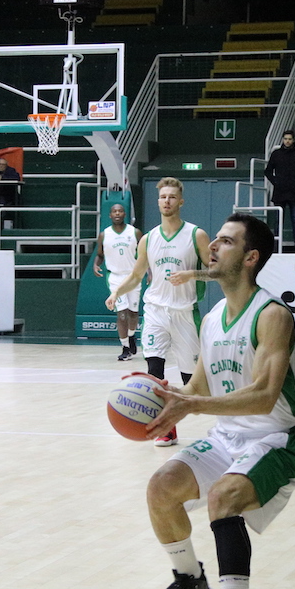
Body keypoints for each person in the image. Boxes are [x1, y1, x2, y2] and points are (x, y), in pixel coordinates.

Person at [140, 213, 295, 589]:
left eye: (226, 241)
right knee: (161, 487)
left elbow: (264, 395)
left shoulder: (272, 315)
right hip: (227, 435)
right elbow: (198, 386)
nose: (213, 246)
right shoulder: (213, 317)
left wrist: (193, 406)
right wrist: (164, 399)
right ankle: (189, 579)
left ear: (251, 258)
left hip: (276, 438)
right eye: (214, 239)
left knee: (223, 497)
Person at [107, 178, 210, 446]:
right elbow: (136, 275)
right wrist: (117, 292)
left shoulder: (196, 235)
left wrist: (192, 274)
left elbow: (215, 271)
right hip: (155, 310)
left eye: (172, 197)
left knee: (191, 381)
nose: (167, 201)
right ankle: (166, 428)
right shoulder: (148, 239)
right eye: (163, 197)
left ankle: (223, 423)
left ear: (181, 201)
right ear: (158, 201)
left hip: (185, 312)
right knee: (154, 372)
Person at [93, 202, 142, 360]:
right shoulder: (104, 235)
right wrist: (95, 264)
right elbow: (100, 255)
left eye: (120, 211)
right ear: (110, 215)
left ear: (124, 214)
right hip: (115, 277)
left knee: (133, 313)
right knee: (121, 312)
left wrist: (148, 271)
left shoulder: (135, 232)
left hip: (133, 276)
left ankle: (131, 336)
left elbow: (144, 255)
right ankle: (125, 347)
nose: (117, 213)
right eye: (114, 211)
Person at [263, 130, 295, 251]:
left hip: (294, 192)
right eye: (285, 139)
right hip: (281, 192)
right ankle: (276, 246)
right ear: (283, 140)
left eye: (289, 139)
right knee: (279, 220)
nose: (287, 141)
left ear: (293, 140)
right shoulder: (276, 154)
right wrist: (276, 182)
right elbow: (268, 171)